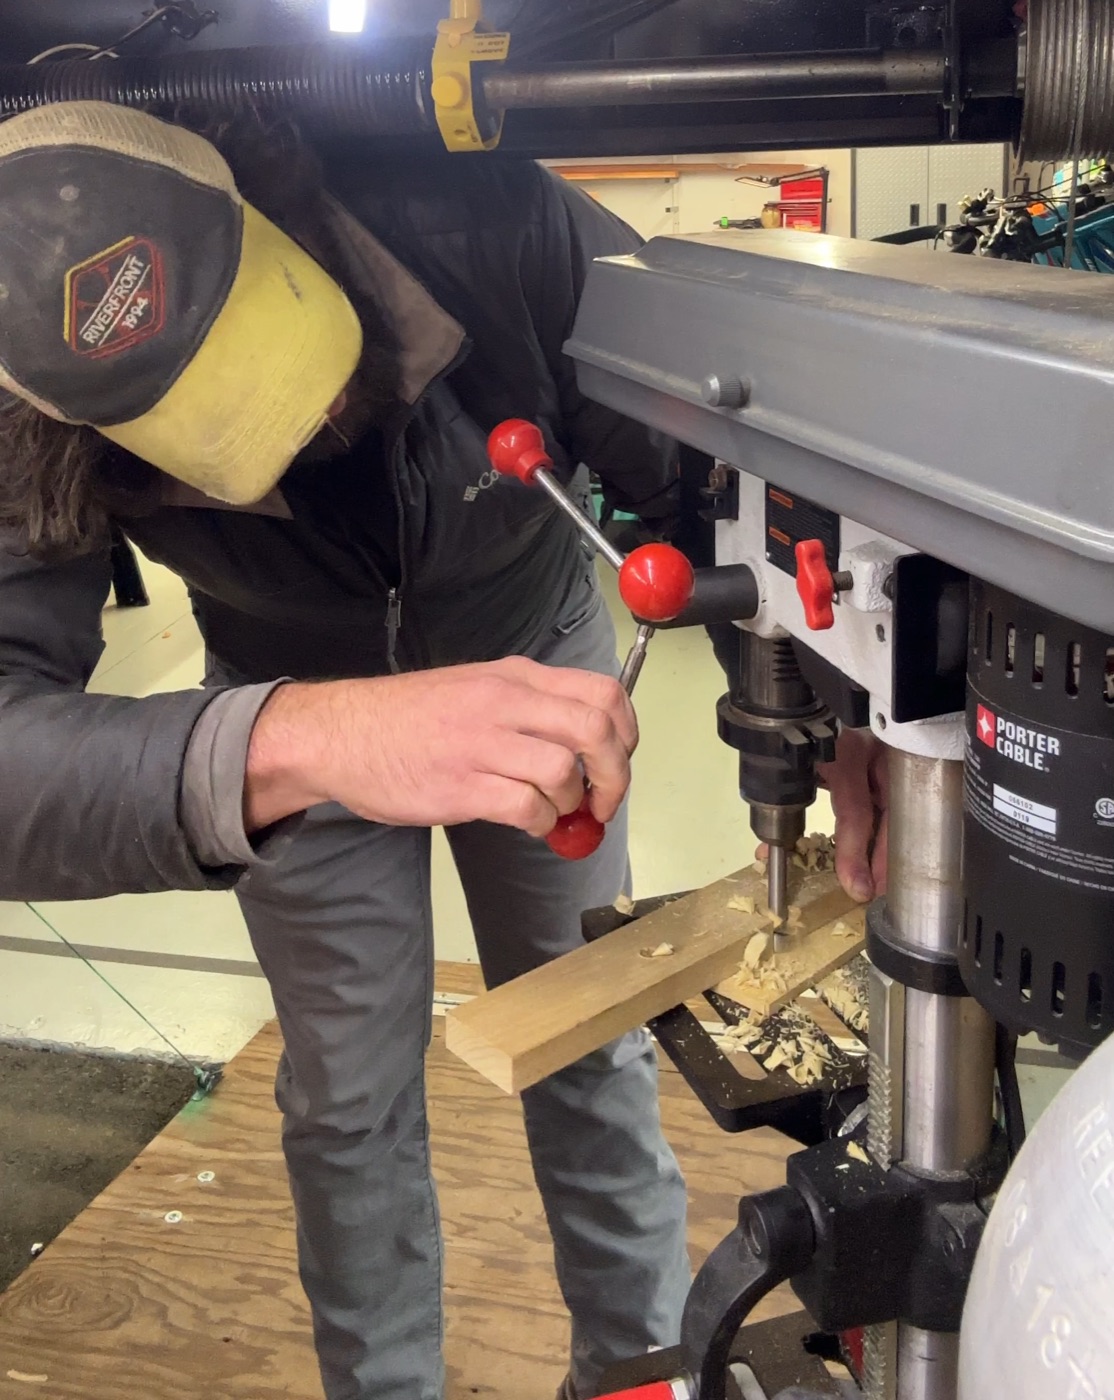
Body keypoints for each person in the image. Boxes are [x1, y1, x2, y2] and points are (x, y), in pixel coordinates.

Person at [0, 101, 887, 1400]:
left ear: (270, 213)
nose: (282, 451)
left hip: (538, 647)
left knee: (588, 1050)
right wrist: (309, 734)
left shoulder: (476, 211)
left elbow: (713, 474)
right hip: (285, 706)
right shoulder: (24, 390)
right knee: (346, 1107)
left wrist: (844, 687)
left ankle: (631, 1369)